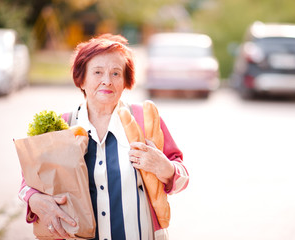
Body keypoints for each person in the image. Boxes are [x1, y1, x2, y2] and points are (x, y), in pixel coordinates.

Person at [18, 34, 189, 240]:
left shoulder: (146, 119)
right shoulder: (61, 126)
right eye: (98, 72)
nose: (107, 81)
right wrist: (34, 199)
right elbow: (28, 182)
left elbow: (182, 178)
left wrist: (166, 169)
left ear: (126, 81)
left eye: (116, 73)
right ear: (81, 80)